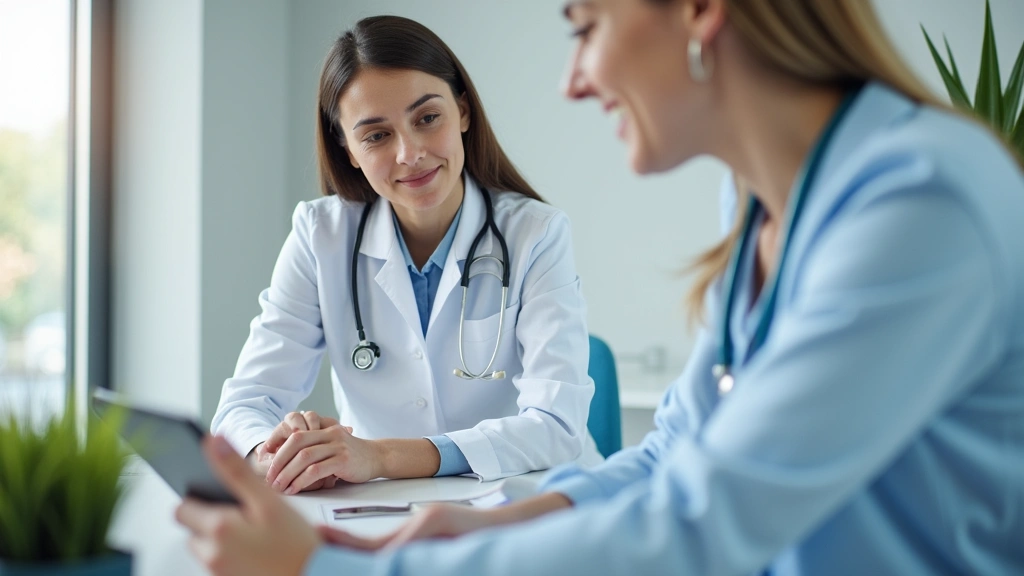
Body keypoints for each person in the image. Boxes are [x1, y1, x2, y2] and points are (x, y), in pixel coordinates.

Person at [178, 0, 1024, 574]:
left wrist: (330, 563)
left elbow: (701, 519)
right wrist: (490, 523)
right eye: (375, 134)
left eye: (584, 26)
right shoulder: (766, 209)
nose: (572, 79)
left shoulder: (917, 201)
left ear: (699, 13)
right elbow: (668, 454)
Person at [209, 14, 601, 494]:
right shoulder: (320, 236)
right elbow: (243, 405)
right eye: (376, 135)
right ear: (349, 149)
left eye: (427, 118)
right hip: (384, 508)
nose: (409, 154)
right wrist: (273, 452)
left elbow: (555, 425)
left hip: (529, 501)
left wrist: (380, 455)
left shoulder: (535, 235)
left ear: (462, 112)